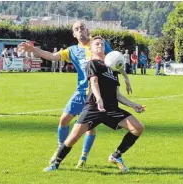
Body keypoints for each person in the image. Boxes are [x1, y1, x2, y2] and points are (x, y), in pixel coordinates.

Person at [18, 21, 132, 168]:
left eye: (82, 28)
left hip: (95, 93)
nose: (80, 31)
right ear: (74, 34)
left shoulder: (98, 44)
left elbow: (115, 61)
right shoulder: (72, 50)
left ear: (87, 30)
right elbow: (52, 56)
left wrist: (126, 77)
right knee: (64, 120)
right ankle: (59, 149)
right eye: (76, 29)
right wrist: (34, 50)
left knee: (90, 128)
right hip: (80, 92)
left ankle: (83, 158)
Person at [43, 36, 145, 172]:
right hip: (93, 107)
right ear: (90, 49)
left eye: (102, 44)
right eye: (96, 44)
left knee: (138, 128)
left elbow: (118, 95)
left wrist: (133, 105)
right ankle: (55, 164)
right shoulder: (92, 64)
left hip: (111, 109)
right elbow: (94, 83)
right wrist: (98, 99)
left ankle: (116, 156)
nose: (100, 46)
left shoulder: (112, 68)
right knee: (73, 137)